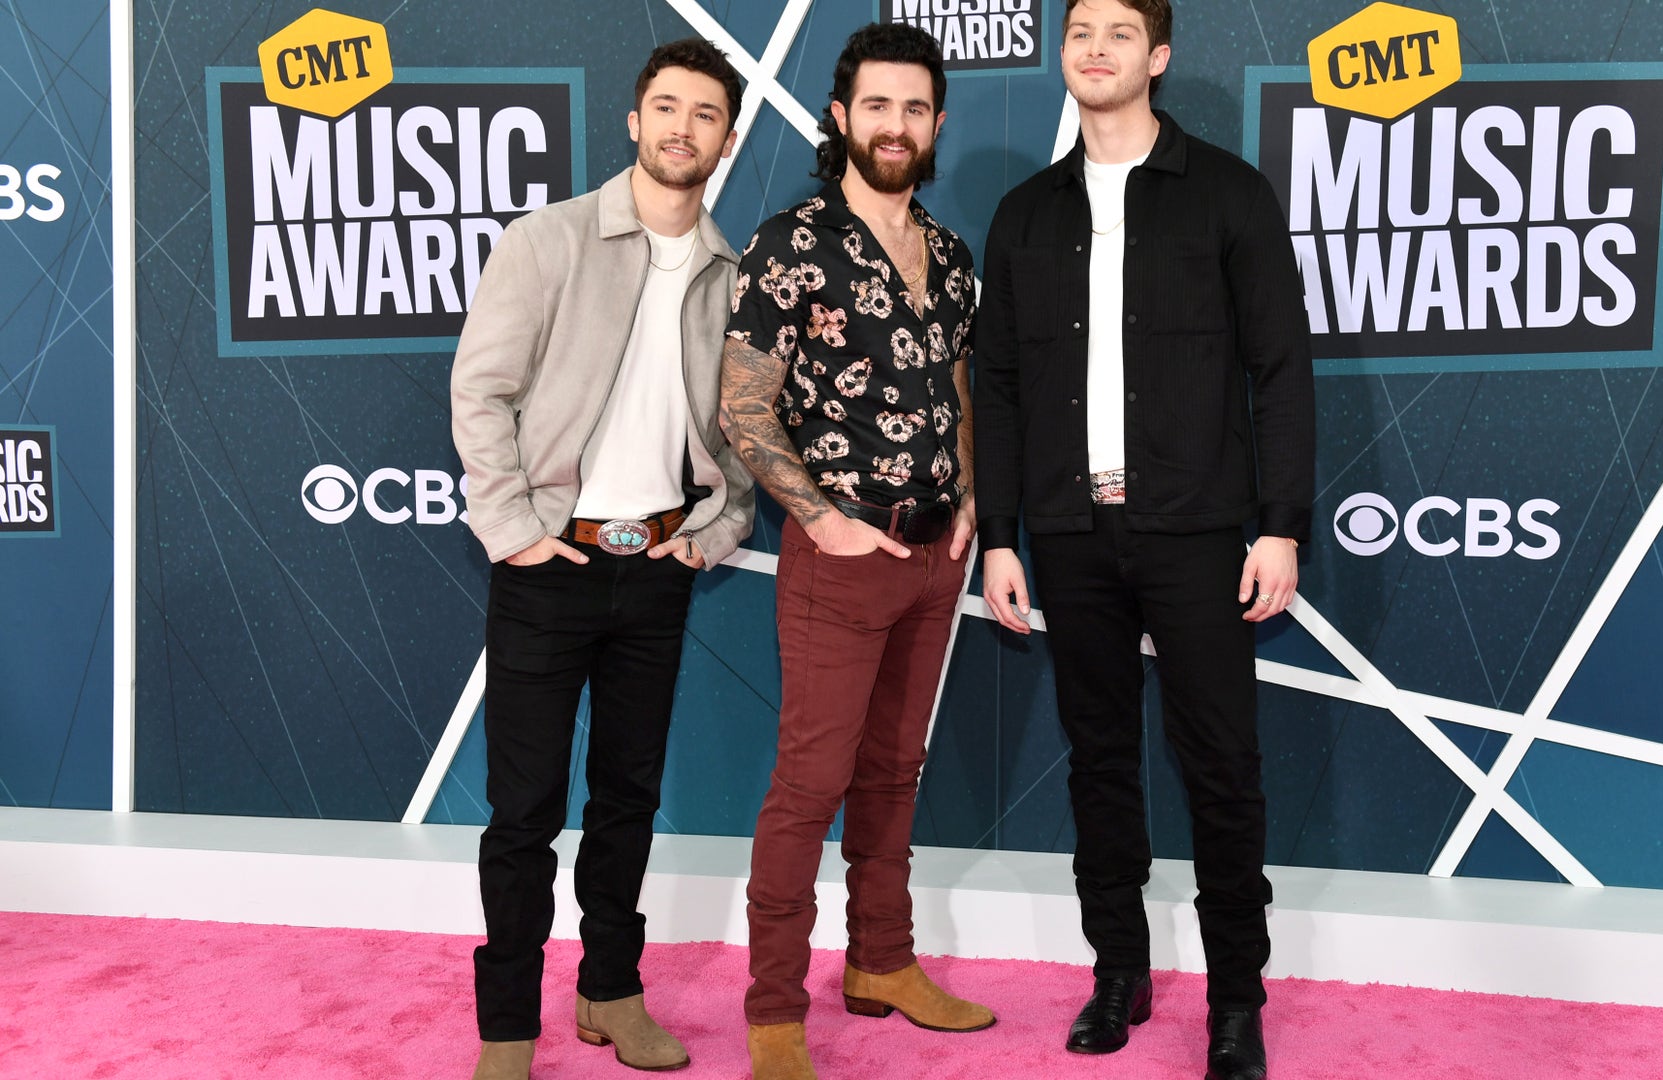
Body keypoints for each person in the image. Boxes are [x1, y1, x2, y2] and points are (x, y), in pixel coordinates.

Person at [972, 0, 1316, 1077]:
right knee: (1101, 765)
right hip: (1070, 538)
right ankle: (1116, 974)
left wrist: (1282, 527)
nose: (1097, 49)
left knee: (1223, 769)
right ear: (1062, 55)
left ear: (1157, 58)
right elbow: (1001, 384)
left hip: (1199, 534)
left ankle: (1235, 1005)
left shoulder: (1226, 192)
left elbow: (1280, 371)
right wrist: (998, 535)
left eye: (1120, 33)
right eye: (1080, 31)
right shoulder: (1026, 213)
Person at [448, 37, 754, 1080]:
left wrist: (710, 537)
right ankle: (506, 1030)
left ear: (726, 135)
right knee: (524, 810)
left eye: (705, 113)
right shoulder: (550, 240)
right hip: (545, 570)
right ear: (634, 121)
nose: (682, 127)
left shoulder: (730, 272)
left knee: (628, 799)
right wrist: (513, 530)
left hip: (657, 571)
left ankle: (610, 994)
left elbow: (747, 427)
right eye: (665, 107)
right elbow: (479, 391)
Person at [718, 22, 995, 1080]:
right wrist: (820, 517)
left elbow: (959, 384)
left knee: (893, 770)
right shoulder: (790, 241)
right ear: (841, 118)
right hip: (838, 559)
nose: (896, 125)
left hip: (935, 559)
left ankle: (882, 962)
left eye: (915, 108)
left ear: (933, 125)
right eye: (876, 106)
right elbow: (742, 405)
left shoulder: (953, 253)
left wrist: (968, 488)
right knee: (810, 783)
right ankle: (774, 1013)